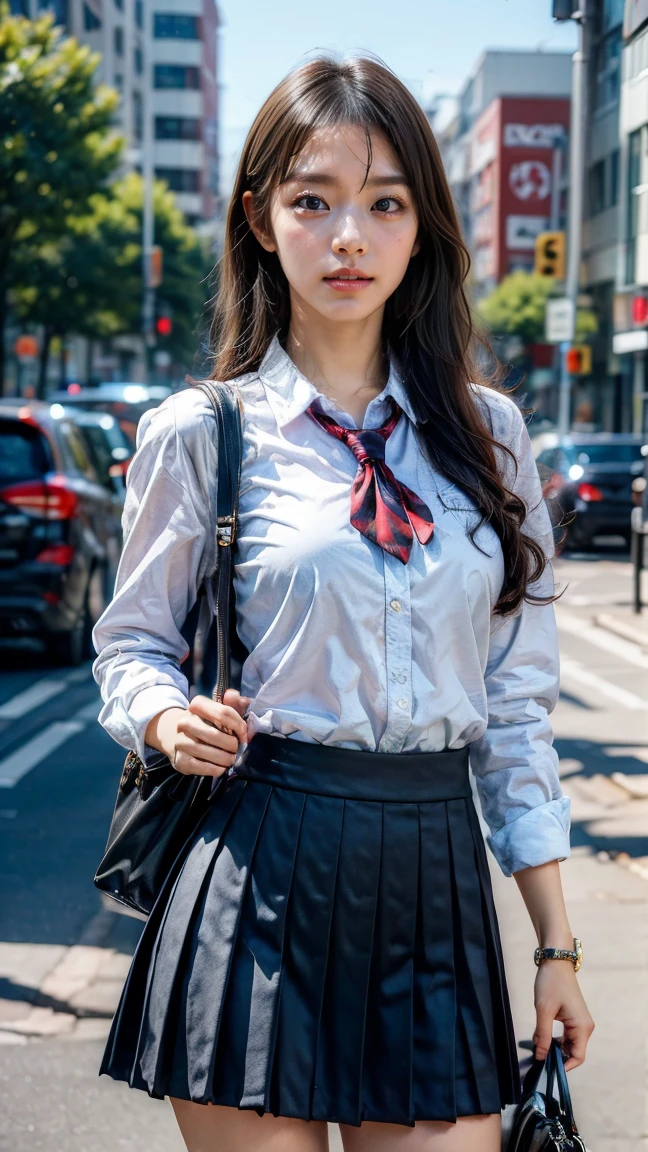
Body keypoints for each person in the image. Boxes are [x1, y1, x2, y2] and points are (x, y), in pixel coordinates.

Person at [92, 55, 594, 1152]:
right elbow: (130, 644)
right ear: (262, 221)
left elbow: (516, 711)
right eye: (313, 201)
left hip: (434, 876)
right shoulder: (201, 432)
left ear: (424, 225)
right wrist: (166, 718)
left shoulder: (493, 437)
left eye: (385, 203)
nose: (350, 236)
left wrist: (554, 947)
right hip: (258, 872)